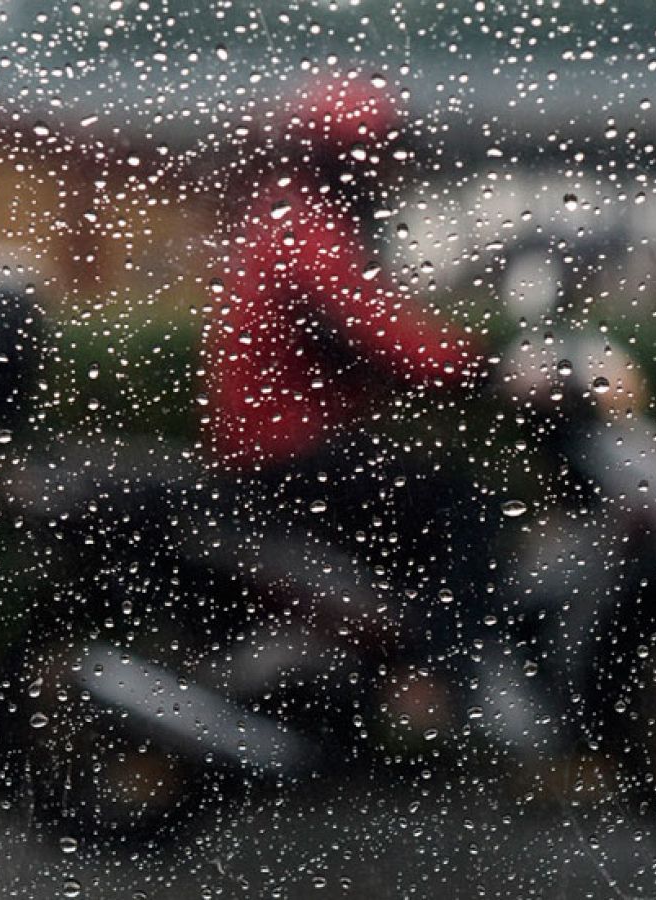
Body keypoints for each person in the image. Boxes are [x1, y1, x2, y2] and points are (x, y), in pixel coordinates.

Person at [199, 73, 490, 735]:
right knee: (461, 503)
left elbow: (369, 326)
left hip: (284, 443)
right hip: (286, 450)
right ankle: (442, 683)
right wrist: (481, 367)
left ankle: (393, 667)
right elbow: (366, 329)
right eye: (377, 155)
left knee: (419, 492)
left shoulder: (293, 216)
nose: (387, 172)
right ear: (343, 159)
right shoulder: (303, 226)